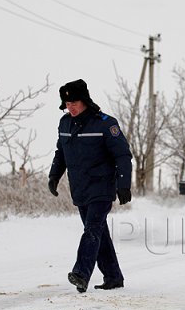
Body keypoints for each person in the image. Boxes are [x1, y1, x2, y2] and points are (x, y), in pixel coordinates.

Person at [48, 79, 133, 293]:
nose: (71, 107)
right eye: (67, 103)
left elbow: (122, 155)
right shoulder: (64, 124)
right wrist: (54, 176)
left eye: (74, 102)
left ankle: (81, 273)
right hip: (80, 188)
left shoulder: (105, 123)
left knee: (92, 229)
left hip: (102, 187)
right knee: (98, 231)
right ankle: (113, 276)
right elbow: (61, 154)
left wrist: (123, 184)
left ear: (84, 100)